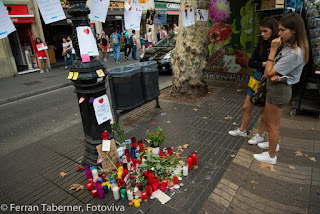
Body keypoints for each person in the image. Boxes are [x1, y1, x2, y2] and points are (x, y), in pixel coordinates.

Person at [253, 13, 309, 164]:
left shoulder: (294, 53)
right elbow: (275, 71)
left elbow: (268, 72)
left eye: (283, 30)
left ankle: (271, 156)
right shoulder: (290, 47)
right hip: (278, 86)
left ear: (294, 30)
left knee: (272, 125)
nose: (279, 33)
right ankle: (273, 144)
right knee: (270, 122)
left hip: (279, 91)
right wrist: (277, 74)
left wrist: (272, 50)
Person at [228, 17, 279, 145]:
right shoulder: (261, 44)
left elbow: (275, 66)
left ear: (273, 30)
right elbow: (252, 62)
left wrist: (265, 65)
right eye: (261, 31)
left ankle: (260, 135)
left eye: (265, 31)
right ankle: (242, 129)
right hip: (257, 77)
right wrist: (264, 63)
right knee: (246, 106)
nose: (262, 34)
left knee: (263, 111)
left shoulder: (278, 45)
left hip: (267, 79)